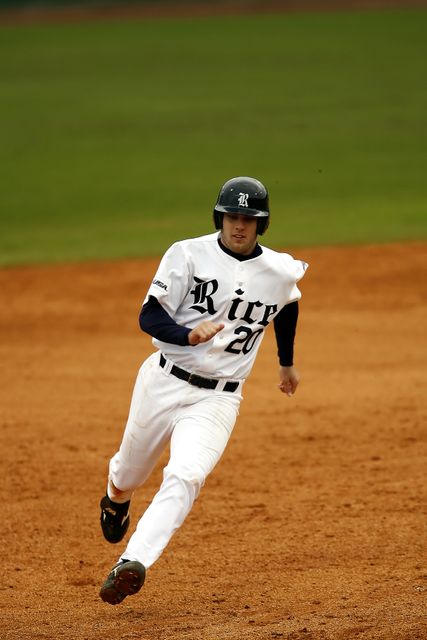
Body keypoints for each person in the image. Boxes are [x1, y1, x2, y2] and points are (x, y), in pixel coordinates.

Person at [98, 176, 308, 605]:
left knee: (187, 474)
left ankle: (133, 560)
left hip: (219, 398)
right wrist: (187, 335)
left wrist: (285, 361)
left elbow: (288, 303)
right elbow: (149, 317)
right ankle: (116, 497)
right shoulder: (187, 254)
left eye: (249, 219)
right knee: (129, 475)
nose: (239, 226)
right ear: (220, 217)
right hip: (163, 379)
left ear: (261, 225)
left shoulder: (280, 269)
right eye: (232, 216)